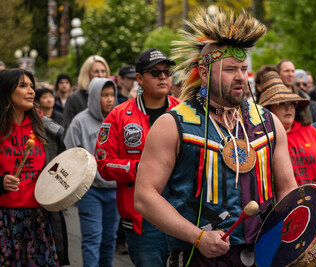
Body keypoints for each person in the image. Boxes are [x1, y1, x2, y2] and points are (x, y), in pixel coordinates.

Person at [134, 9, 297, 266]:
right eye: (230, 69)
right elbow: (144, 196)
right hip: (197, 257)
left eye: (244, 69)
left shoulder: (267, 122)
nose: (241, 77)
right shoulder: (173, 124)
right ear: (205, 72)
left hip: (264, 255)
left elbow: (287, 188)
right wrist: (197, 236)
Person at [95, 48, 180, 266]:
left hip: (183, 214)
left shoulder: (184, 111)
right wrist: (139, 168)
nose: (162, 76)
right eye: (155, 72)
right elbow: (103, 163)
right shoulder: (119, 115)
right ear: (139, 78)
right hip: (143, 220)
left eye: (167, 72)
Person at [0, 69, 60, 266]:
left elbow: (56, 167)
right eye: (23, 86)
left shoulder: (42, 127)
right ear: (6, 91)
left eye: (32, 86)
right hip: (5, 218)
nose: (31, 91)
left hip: (37, 217)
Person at [64, 77, 119, 267]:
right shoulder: (80, 121)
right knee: (92, 239)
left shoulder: (119, 118)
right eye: (104, 95)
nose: (109, 99)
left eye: (112, 95)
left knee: (109, 239)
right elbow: (69, 153)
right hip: (90, 191)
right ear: (95, 96)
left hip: (114, 190)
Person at [259, 71, 316, 186]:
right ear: (268, 110)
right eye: (281, 104)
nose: (288, 107)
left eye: (291, 103)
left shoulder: (311, 132)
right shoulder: (260, 139)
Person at [63, 55, 110, 131]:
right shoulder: (74, 98)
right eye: (96, 71)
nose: (101, 75)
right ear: (87, 74)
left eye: (103, 71)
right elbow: (67, 129)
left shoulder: (112, 96)